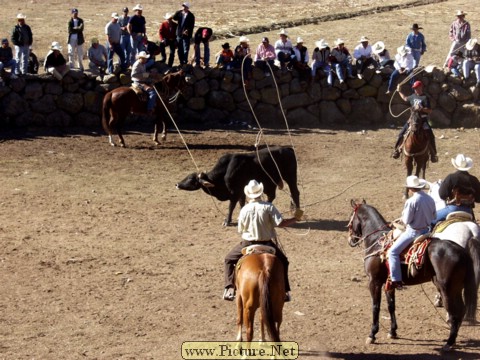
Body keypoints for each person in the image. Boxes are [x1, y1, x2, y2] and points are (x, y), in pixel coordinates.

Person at [223, 180, 298, 301]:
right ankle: (285, 290)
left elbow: (240, 230)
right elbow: (281, 223)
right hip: (267, 243)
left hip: (248, 243)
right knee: (284, 261)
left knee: (228, 259)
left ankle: (229, 288)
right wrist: (296, 218)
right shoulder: (269, 207)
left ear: (248, 194)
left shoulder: (244, 209)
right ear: (260, 192)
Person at [387, 175, 436, 290]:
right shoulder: (430, 198)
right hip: (428, 230)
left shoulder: (411, 201)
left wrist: (402, 219)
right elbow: (434, 216)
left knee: (392, 252)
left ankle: (396, 280)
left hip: (413, 232)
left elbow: (407, 220)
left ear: (410, 189)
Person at [392, 80, 438, 162]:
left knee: (431, 136)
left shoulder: (425, 98)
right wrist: (399, 91)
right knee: (401, 134)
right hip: (412, 120)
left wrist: (421, 109)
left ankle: (433, 154)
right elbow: (405, 98)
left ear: (421, 87)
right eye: (414, 88)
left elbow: (429, 110)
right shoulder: (412, 96)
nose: (415, 89)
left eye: (416, 88)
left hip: (423, 120)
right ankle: (396, 150)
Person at [431, 154, 480, 225]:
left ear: (456, 165)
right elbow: (479, 199)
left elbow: (442, 195)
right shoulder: (474, 180)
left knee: (431, 220)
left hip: (452, 209)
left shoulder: (451, 178)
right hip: (468, 211)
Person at [131, 51, 156, 116]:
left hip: (142, 80)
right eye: (145, 58)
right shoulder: (136, 65)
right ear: (141, 58)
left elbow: (143, 73)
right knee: (152, 93)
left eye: (146, 58)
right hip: (138, 82)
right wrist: (148, 74)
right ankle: (149, 109)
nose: (146, 59)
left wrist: (149, 75)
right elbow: (134, 75)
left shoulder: (143, 64)